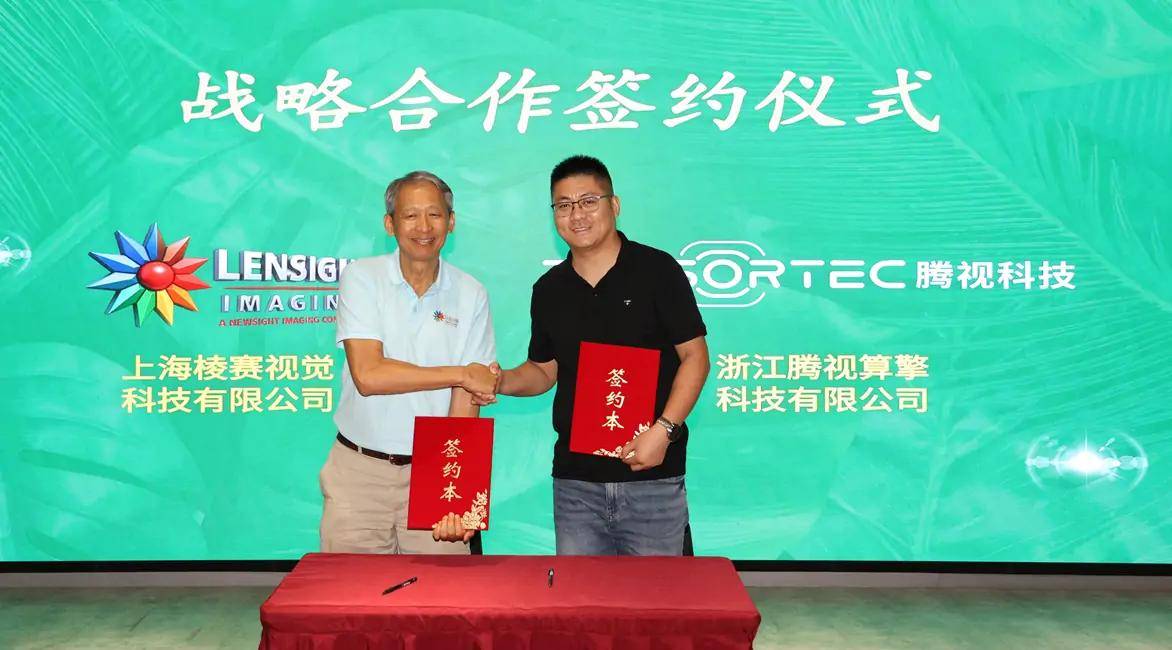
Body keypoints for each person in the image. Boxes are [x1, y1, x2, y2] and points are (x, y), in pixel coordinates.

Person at [484, 155, 710, 555]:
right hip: (576, 486)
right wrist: (499, 380)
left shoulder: (658, 271)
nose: (577, 215)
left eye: (589, 201)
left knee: (660, 594)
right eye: (564, 205)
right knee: (581, 595)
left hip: (653, 479)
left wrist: (664, 430)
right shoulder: (549, 289)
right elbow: (543, 371)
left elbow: (696, 358)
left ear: (614, 205)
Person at [321, 170, 496, 553]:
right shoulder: (362, 277)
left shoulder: (471, 293)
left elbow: (467, 399)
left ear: (451, 222)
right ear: (390, 224)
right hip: (360, 473)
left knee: (442, 588)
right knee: (353, 589)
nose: (423, 227)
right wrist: (461, 374)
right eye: (410, 215)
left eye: (434, 214)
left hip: (435, 469)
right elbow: (369, 375)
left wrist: (455, 489)